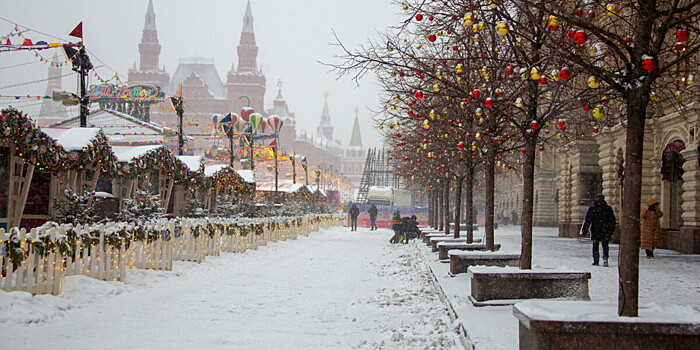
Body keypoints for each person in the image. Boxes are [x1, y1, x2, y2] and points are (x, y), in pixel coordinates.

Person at [581, 193, 616, 266]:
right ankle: (605, 258)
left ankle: (596, 260)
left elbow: (588, 220)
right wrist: (611, 230)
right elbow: (612, 220)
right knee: (605, 245)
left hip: (596, 229)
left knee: (596, 245)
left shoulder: (593, 208)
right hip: (605, 230)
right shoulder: (607, 208)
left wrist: (584, 231)